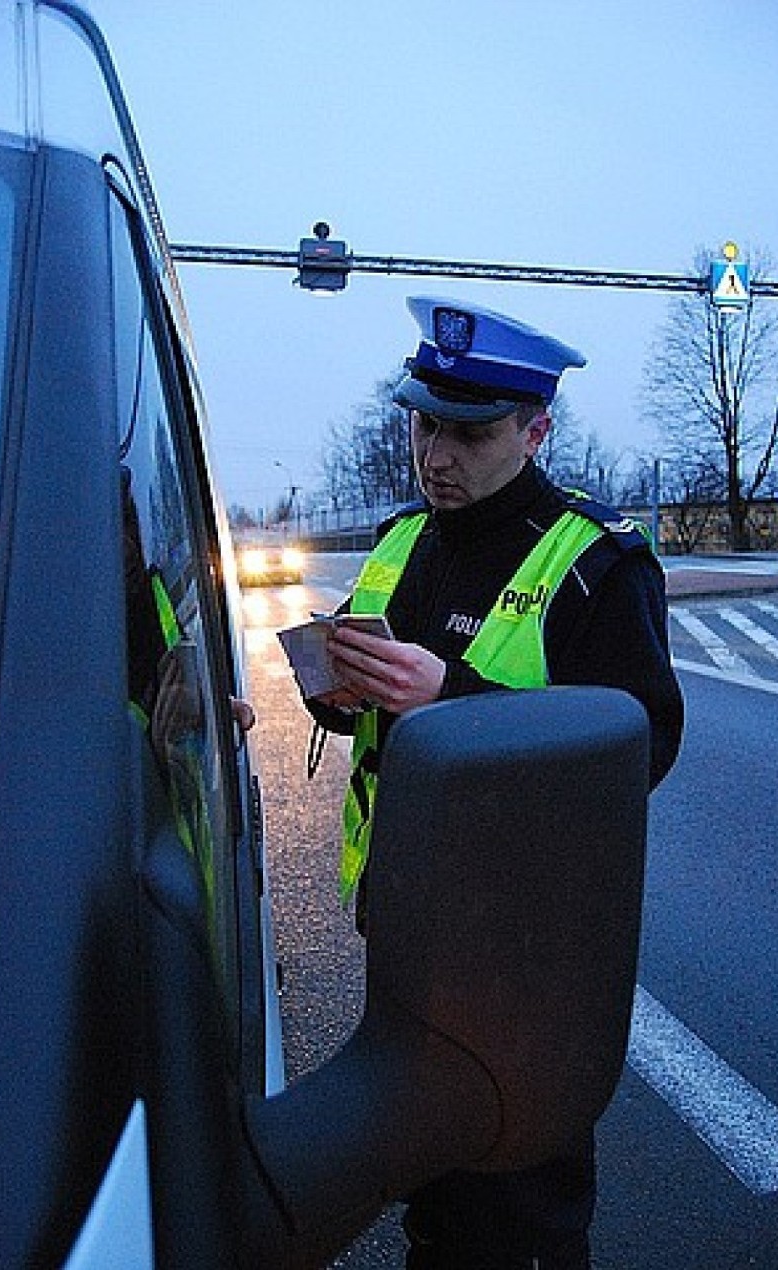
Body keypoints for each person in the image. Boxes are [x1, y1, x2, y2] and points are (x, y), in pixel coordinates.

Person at [304, 296, 684, 1270]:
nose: (437, 452)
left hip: (528, 959)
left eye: (470, 432)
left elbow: (640, 742)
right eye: (425, 422)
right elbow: (359, 698)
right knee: (433, 1190)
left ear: (535, 428)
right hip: (407, 928)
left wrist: (455, 699)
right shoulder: (400, 541)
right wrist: (336, 693)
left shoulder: (596, 563)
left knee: (518, 1221)